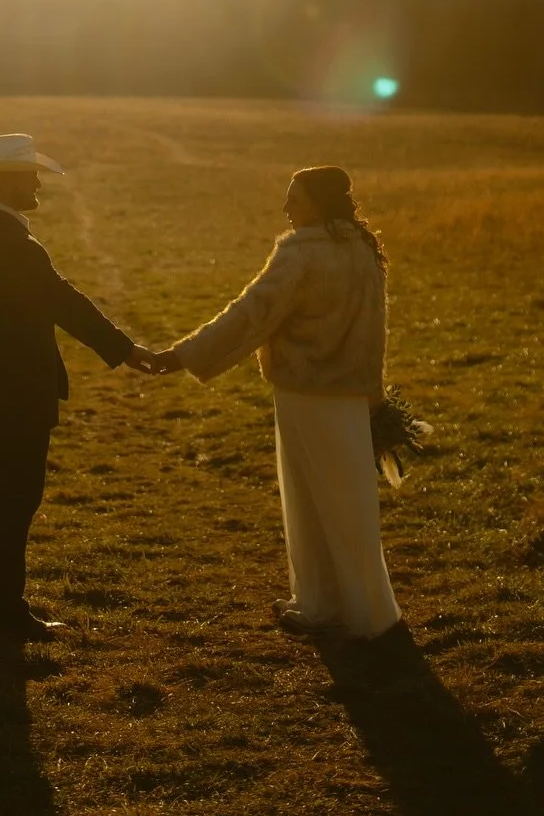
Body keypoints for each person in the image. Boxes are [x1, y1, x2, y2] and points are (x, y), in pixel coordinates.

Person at [155, 165, 401, 640]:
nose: (286, 207)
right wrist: (373, 394)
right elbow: (375, 330)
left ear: (318, 202)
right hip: (350, 394)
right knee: (350, 501)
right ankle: (368, 609)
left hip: (306, 393)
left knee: (308, 500)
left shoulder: (299, 253)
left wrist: (183, 355)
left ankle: (321, 604)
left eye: (295, 197)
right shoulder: (363, 249)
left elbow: (254, 313)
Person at [0, 132, 159, 639]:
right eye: (31, 174)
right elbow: (62, 301)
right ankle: (3, 608)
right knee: (13, 498)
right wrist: (125, 351)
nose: (38, 183)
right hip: (15, 390)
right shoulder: (13, 243)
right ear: (9, 179)